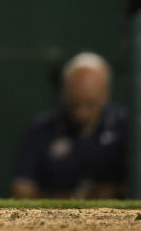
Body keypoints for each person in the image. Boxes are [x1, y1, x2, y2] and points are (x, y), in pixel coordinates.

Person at [12, 52, 127, 199]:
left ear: (105, 93)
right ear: (64, 92)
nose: (82, 113)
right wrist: (78, 197)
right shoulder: (40, 129)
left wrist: (112, 191)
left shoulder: (127, 128)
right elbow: (21, 190)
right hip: (52, 220)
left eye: (90, 104)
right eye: (75, 103)